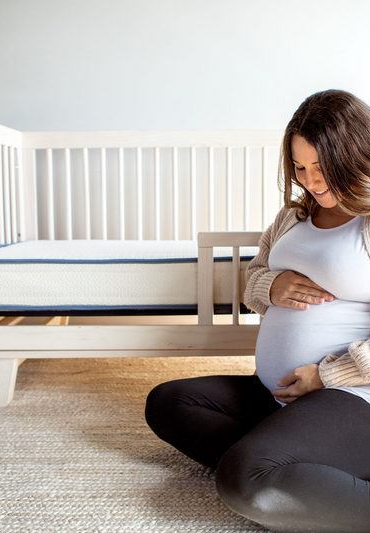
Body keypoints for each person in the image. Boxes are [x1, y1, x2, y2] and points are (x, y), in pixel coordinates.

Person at [145, 89, 370, 533]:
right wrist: (273, 284)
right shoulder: (292, 216)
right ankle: (315, 472)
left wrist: (328, 376)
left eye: (322, 168)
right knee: (168, 402)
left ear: (356, 154)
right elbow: (252, 283)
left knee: (245, 480)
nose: (311, 181)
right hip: (280, 396)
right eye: (300, 168)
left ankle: (290, 470)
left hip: (354, 397)